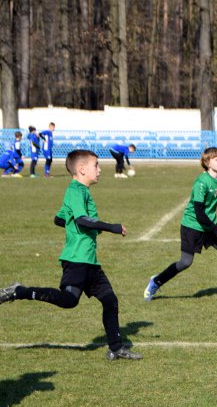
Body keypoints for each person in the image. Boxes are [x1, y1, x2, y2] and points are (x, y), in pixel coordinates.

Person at [0, 149, 142, 361]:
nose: (100, 169)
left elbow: (59, 219)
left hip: (89, 260)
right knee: (68, 300)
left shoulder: (80, 192)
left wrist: (80, 225)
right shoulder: (76, 191)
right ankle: (19, 291)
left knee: (110, 300)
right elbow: (82, 220)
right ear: (82, 169)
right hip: (77, 259)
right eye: (96, 165)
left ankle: (116, 348)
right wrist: (111, 227)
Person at [144, 147, 217, 304]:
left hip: (209, 225)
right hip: (192, 225)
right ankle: (156, 282)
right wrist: (216, 228)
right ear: (208, 163)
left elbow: (209, 210)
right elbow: (199, 211)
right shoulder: (201, 183)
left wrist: (213, 226)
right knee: (185, 262)